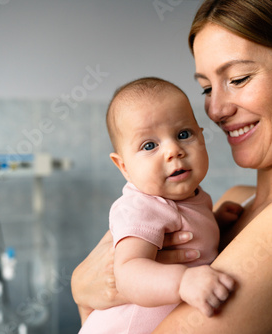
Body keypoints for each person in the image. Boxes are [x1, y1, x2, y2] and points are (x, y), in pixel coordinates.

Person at [72, 1, 272, 333]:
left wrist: (83, 293)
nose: (215, 110)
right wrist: (84, 287)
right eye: (206, 87)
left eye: (238, 78)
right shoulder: (234, 203)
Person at [78, 77, 239, 334]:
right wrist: (182, 281)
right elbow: (129, 275)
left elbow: (189, 234)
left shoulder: (194, 197)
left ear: (201, 136)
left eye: (183, 134)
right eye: (149, 145)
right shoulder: (142, 206)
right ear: (123, 167)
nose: (173, 150)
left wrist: (216, 220)